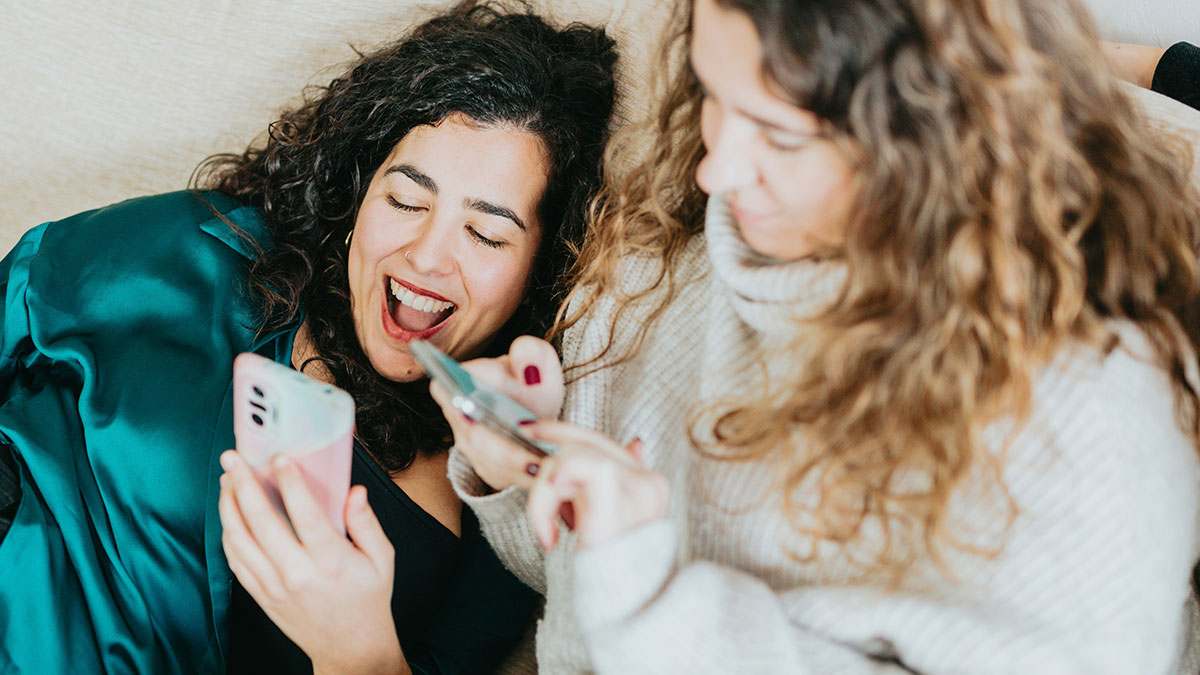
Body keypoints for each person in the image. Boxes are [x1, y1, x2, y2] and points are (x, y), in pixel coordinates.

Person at [435, 0, 1200, 672]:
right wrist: (526, 471)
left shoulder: (1087, 419)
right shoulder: (669, 251)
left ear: (931, 136)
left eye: (783, 136)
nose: (718, 172)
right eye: (715, 96)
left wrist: (644, 580)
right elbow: (576, 606)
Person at [0, 3, 616, 673]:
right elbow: (16, 295)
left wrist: (354, 650)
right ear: (359, 196)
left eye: (486, 233)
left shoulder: (502, 504)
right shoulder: (208, 250)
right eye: (407, 200)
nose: (427, 256)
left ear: (539, 270)